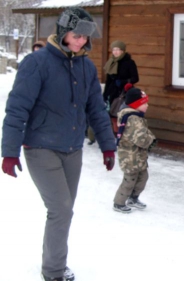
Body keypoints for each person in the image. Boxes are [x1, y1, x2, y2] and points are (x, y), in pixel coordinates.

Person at [1, 7, 116, 281]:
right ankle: (53, 271)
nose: (81, 43)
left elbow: (96, 109)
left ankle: (54, 263)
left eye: (85, 39)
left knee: (63, 211)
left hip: (72, 149)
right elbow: (17, 108)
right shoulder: (37, 63)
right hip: (41, 146)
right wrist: (9, 151)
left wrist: (107, 145)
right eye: (76, 36)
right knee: (61, 208)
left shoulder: (86, 66)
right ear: (63, 32)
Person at [113, 86, 156, 213]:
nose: (147, 105)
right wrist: (151, 141)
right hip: (130, 157)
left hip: (138, 156)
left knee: (143, 177)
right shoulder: (132, 119)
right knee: (129, 180)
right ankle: (118, 203)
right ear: (135, 105)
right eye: (144, 103)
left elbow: (143, 132)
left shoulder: (136, 116)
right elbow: (141, 138)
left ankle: (133, 198)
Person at [103, 40, 139, 134]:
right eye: (113, 49)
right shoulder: (111, 62)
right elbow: (108, 80)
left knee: (122, 116)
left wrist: (124, 82)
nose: (115, 52)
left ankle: (123, 136)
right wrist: (105, 94)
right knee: (113, 116)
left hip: (123, 93)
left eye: (117, 49)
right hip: (112, 92)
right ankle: (117, 136)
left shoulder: (129, 62)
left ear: (122, 51)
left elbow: (135, 78)